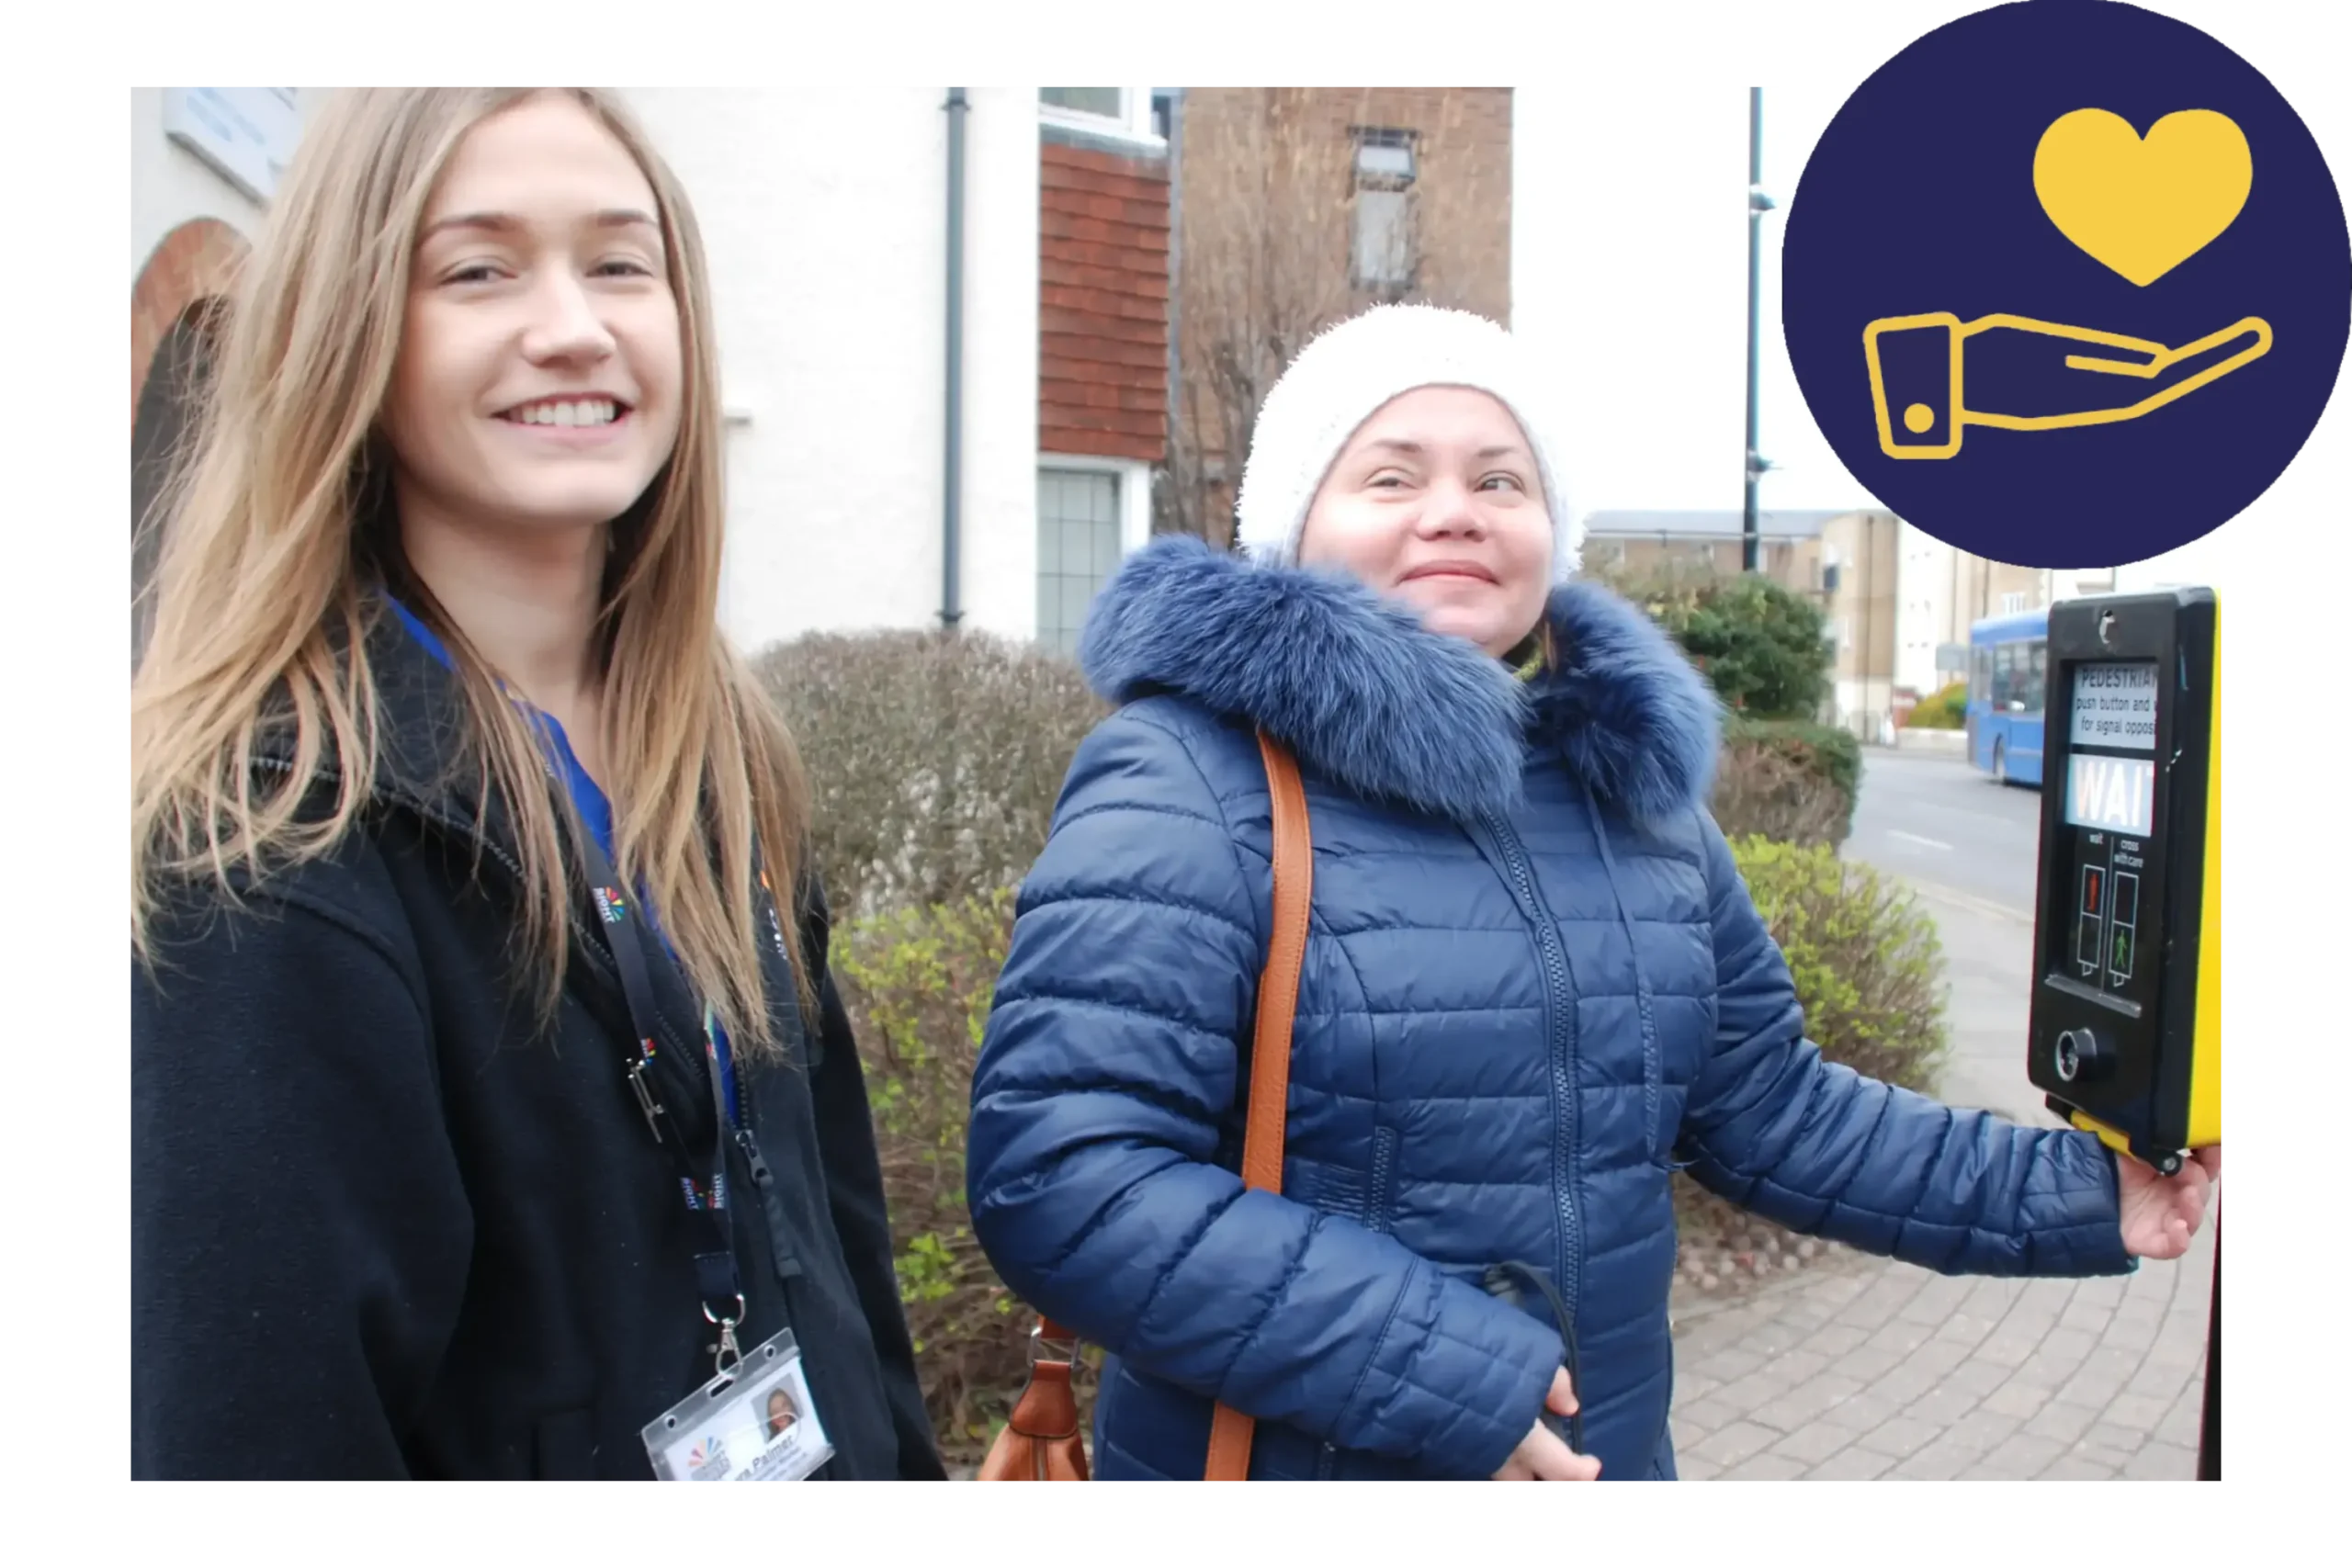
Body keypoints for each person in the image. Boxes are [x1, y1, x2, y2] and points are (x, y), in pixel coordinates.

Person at [964, 303, 2222, 1485]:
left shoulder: (1634, 803)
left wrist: (2085, 1195)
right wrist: (1452, 1376)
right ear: (1295, 525)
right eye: (1391, 477)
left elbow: (1773, 1109)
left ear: (1551, 532)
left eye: (1500, 480)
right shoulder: (1190, 773)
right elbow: (1067, 1173)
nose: (1454, 514)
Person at [125, 83, 945, 1485]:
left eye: (620, 262)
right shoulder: (273, 841)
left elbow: (843, 1255)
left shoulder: (717, 756)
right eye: (478, 270)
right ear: (349, 329)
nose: (573, 325)